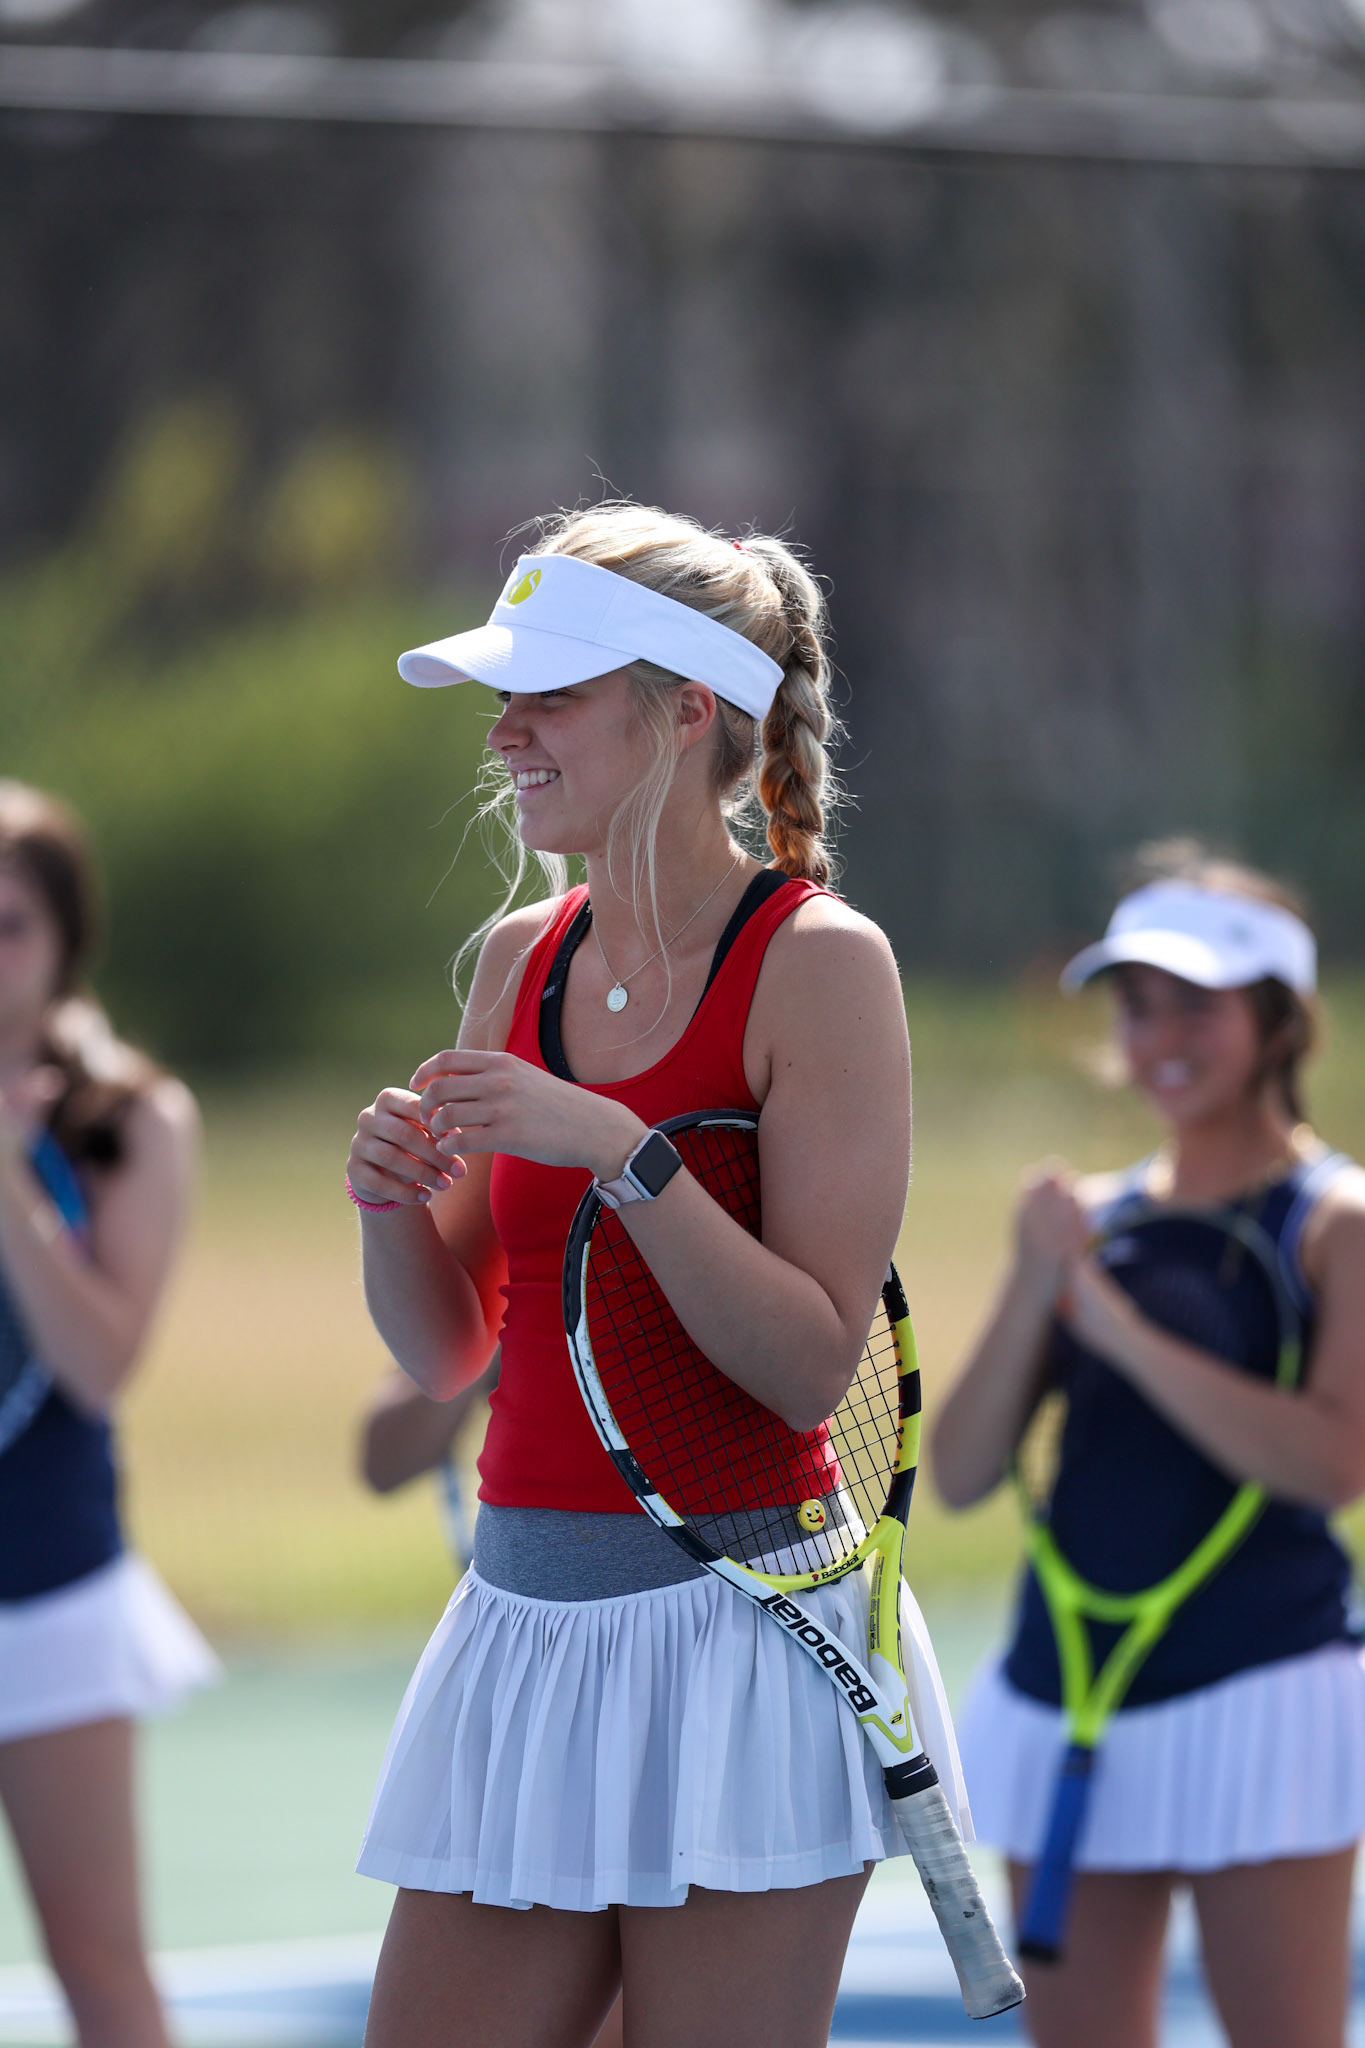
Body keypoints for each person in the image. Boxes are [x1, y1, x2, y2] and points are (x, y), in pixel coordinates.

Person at [345, 504, 965, 2048]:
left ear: (687, 708)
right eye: (508, 699)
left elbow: (813, 1360)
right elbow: (448, 1352)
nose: (506, 732)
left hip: (748, 1636)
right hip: (518, 1626)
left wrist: (622, 1150)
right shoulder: (516, 959)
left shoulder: (823, 963)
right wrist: (383, 1210)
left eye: (548, 694)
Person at [931, 843, 1365, 2048]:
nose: (1157, 1032)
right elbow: (961, 1473)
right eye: (1135, 1002)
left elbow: (1334, 1463)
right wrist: (1035, 1284)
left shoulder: (1335, 1219)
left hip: (1266, 1690)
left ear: (1278, 1020)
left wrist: (1111, 1325)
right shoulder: (1091, 1222)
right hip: (1065, 1692)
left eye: (1195, 1002)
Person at [0, 781, 218, 2048]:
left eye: (10, 923)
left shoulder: (132, 1118)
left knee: (100, 1967)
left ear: (66, 937)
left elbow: (98, 1366)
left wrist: (10, 1185)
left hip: (53, 1590)